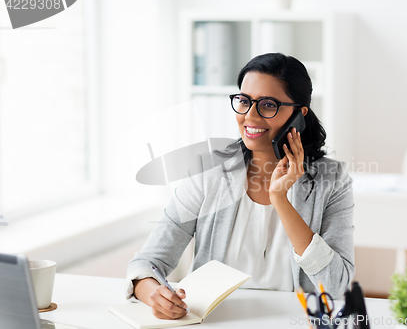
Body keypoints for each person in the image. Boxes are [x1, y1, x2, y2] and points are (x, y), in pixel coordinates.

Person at [126, 53, 355, 320]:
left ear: (299, 114)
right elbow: (147, 263)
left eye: (268, 105)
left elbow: (337, 285)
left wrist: (280, 198)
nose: (250, 116)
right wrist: (153, 293)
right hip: (216, 322)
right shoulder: (208, 172)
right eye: (244, 101)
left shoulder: (332, 179)